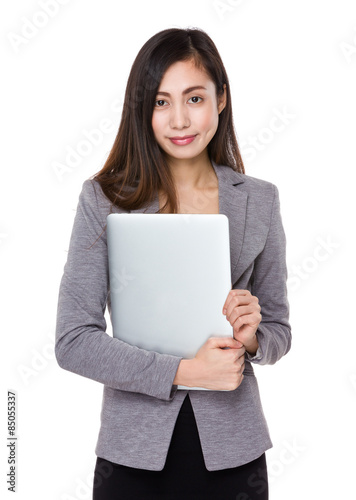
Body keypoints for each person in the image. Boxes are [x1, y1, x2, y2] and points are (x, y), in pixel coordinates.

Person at [55, 27, 292, 500]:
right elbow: (73, 340)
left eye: (195, 98)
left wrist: (252, 340)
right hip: (132, 457)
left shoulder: (260, 201)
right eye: (161, 102)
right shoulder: (104, 199)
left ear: (221, 99)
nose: (180, 120)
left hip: (234, 456)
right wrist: (185, 372)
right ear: (142, 110)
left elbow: (279, 332)